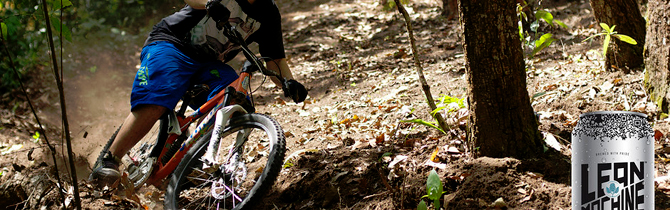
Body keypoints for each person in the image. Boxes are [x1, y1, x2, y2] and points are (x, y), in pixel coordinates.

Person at [88, 0, 308, 186]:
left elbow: (275, 60)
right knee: (158, 100)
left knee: (236, 103)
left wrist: (289, 82)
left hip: (209, 64)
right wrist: (209, 3)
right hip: (171, 44)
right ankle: (110, 159)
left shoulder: (268, 12)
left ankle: (189, 160)